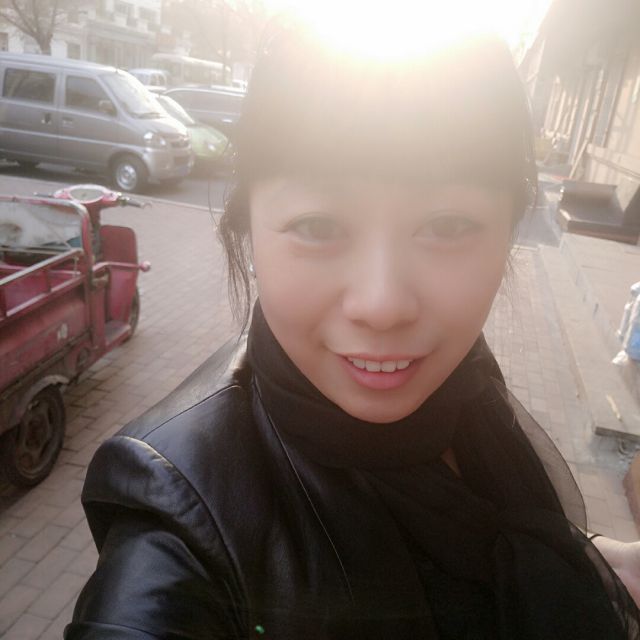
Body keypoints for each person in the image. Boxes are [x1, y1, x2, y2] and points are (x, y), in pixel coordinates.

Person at [65, 22, 640, 640]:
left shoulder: (455, 379)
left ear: (508, 236)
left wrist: (587, 560)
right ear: (249, 231)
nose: (383, 306)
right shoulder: (178, 522)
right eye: (317, 226)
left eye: (448, 226)